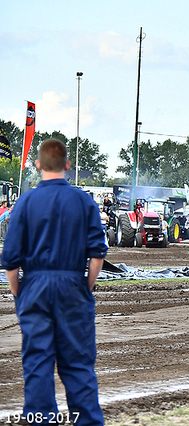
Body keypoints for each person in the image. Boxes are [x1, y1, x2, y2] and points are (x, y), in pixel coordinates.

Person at [1, 138, 107, 426]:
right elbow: (97, 253)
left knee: (37, 363)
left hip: (34, 286)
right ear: (67, 166)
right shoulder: (84, 201)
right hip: (73, 283)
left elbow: (10, 260)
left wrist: (19, 294)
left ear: (38, 165)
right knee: (77, 364)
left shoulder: (25, 202)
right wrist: (85, 286)